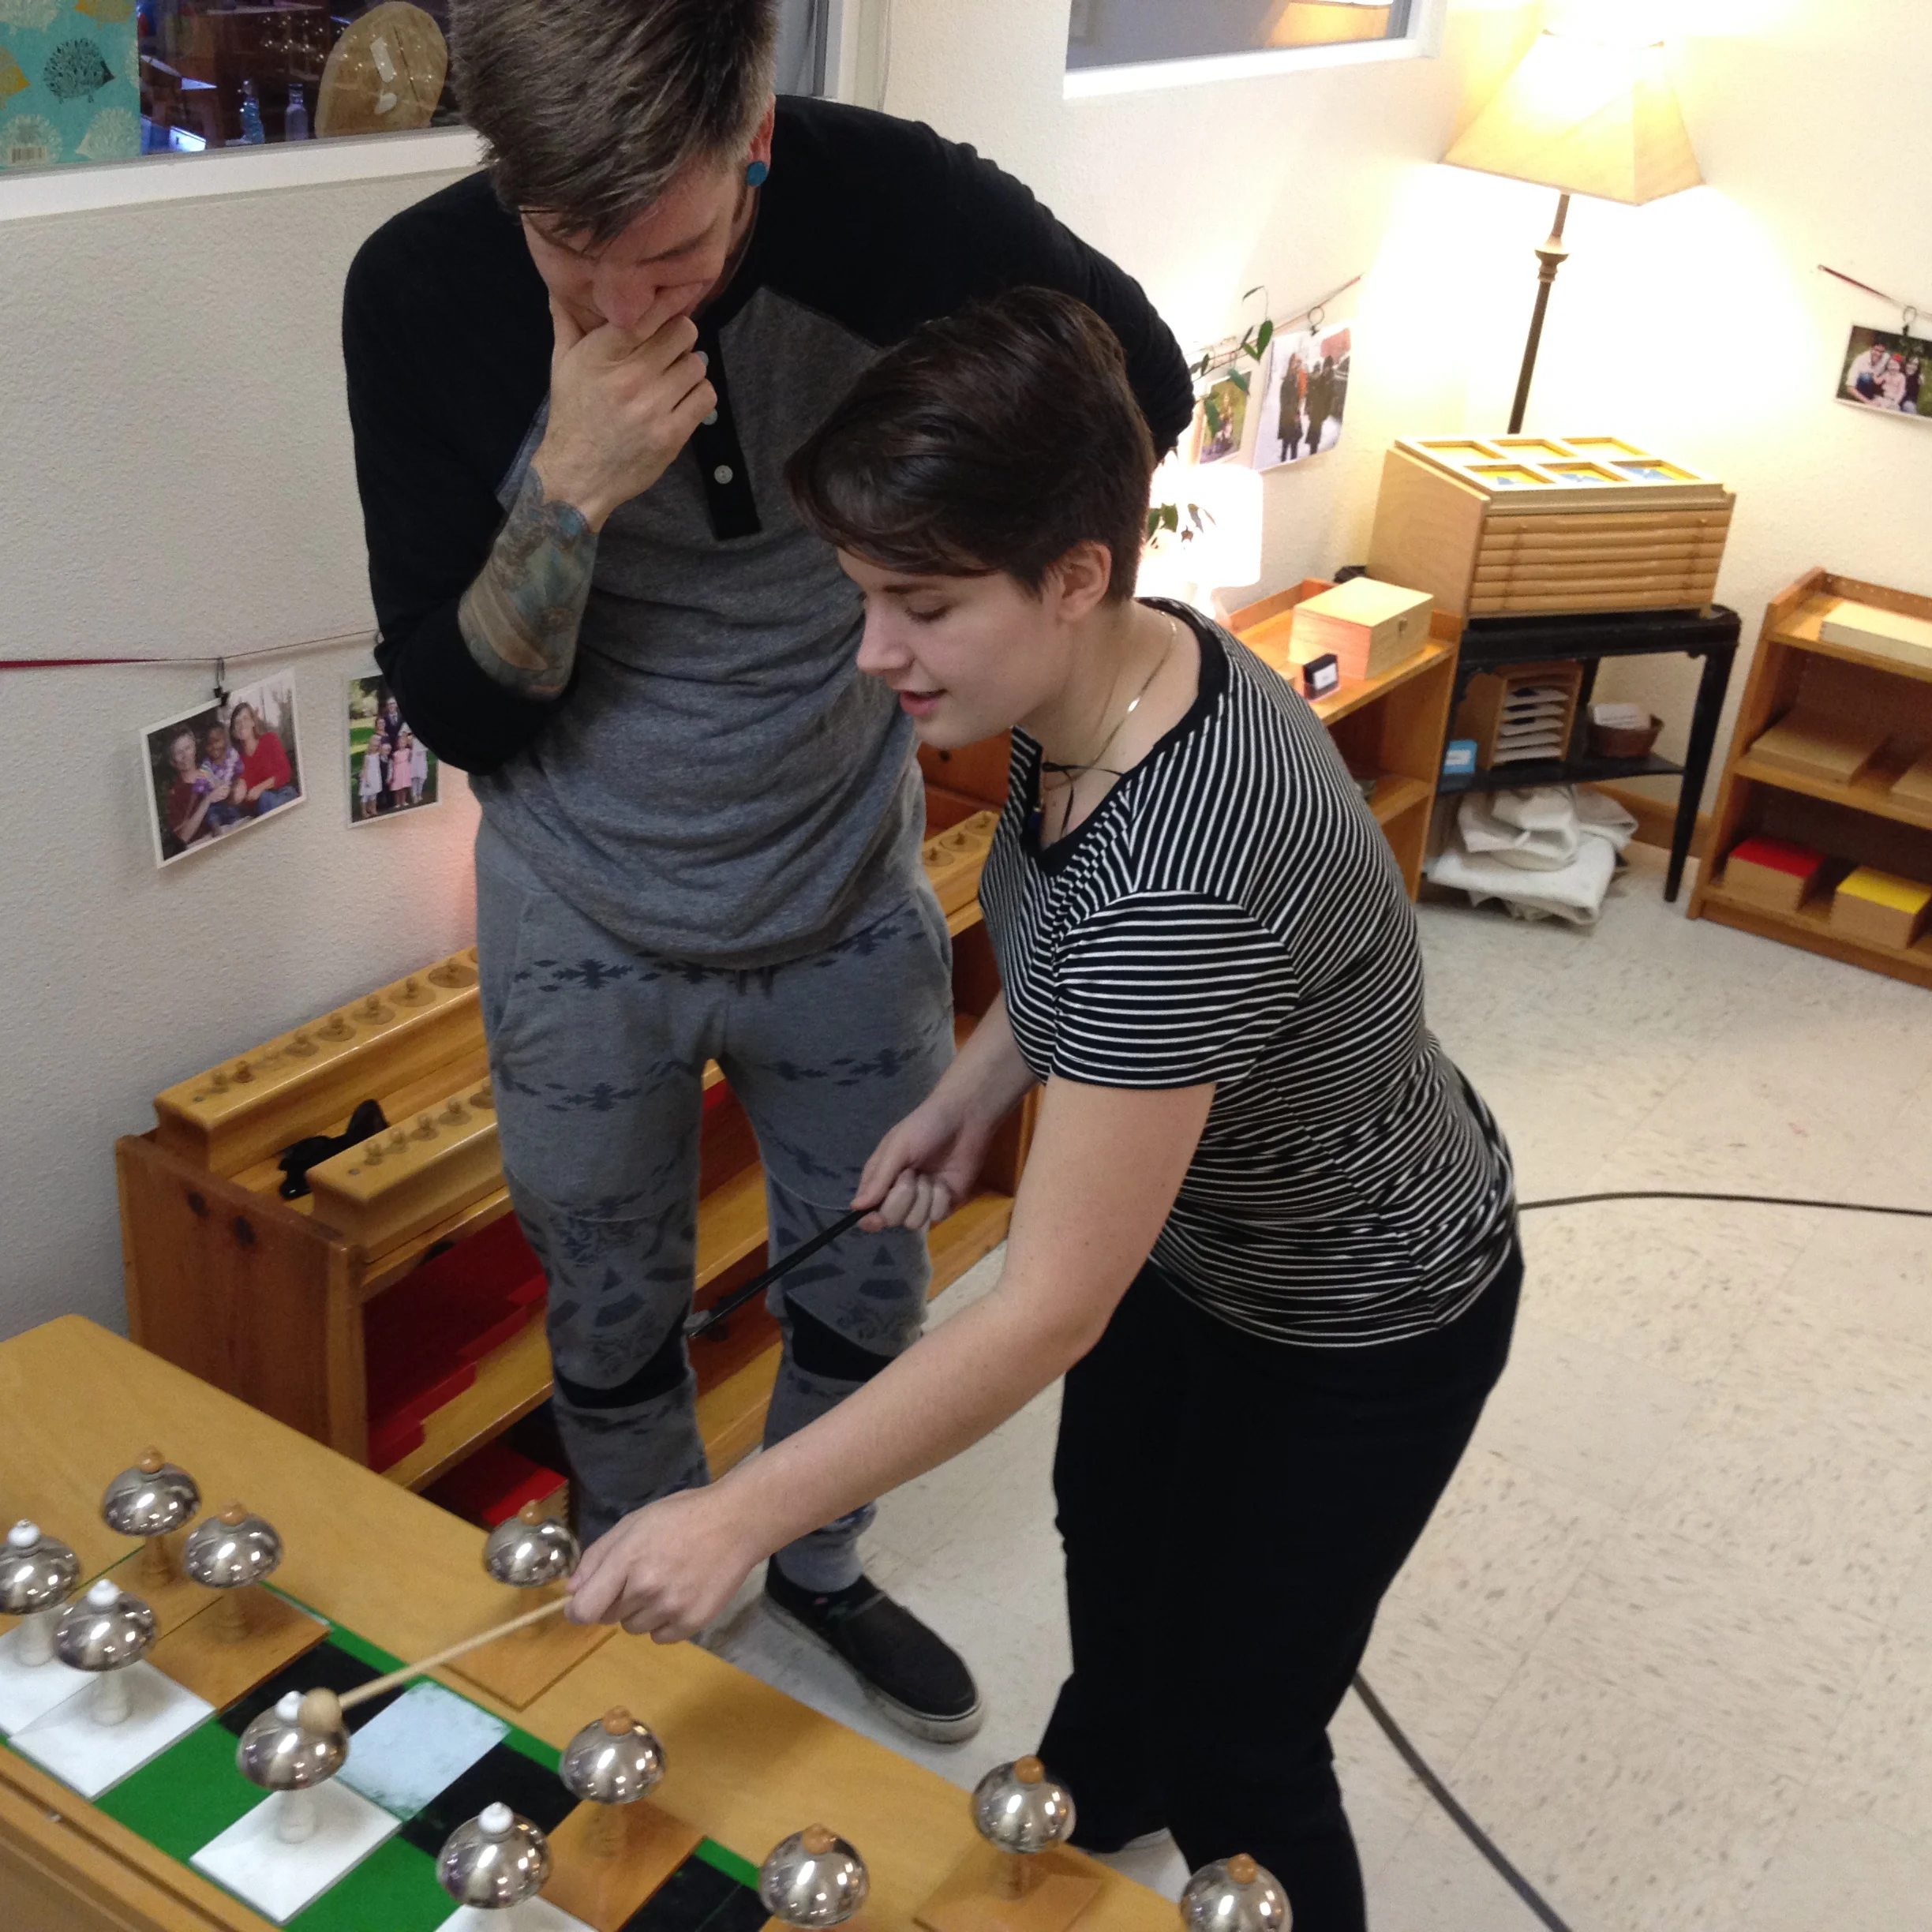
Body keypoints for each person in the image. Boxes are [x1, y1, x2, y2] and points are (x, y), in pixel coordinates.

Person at [561, 290, 1520, 1931]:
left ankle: (1186, 1810)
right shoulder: (1100, 686)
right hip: (1190, 1250)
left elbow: (1041, 1311)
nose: (876, 654)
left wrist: (742, 1511)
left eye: (919, 606)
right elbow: (1072, 943)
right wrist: (975, 1084)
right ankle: (1093, 1830)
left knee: (1250, 1744)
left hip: (1358, 1317)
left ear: (1076, 574)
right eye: (865, 597)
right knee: (1121, 1593)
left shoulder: (1186, 882)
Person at [341, 0, 1192, 1742]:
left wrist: (932, 549)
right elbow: (450, 706)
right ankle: (659, 1585)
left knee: (872, 1274)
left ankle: (807, 1555)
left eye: (672, 252)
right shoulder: (418, 294)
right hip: (578, 906)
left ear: (757, 142)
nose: (625, 306)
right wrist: (568, 489)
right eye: (573, 252)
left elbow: (1143, 392)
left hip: (840, 890)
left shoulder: (899, 212)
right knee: (609, 1292)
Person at [230, 700, 299, 816]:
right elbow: (243, 796)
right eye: (237, 722)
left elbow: (285, 772)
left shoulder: (270, 739)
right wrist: (238, 795)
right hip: (260, 805)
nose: (242, 724)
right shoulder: (237, 761)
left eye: (245, 718)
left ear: (253, 722)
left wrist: (260, 788)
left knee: (265, 799)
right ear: (234, 731)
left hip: (283, 793)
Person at [162, 726, 219, 853]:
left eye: (188, 748)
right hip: (200, 847)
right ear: (173, 761)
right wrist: (207, 800)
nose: (185, 756)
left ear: (195, 748)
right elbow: (183, 838)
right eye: (179, 752)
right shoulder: (174, 794)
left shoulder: (210, 769)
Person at [197, 722, 247, 833]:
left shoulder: (232, 755)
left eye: (217, 741)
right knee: (211, 812)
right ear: (205, 747)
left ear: (225, 740)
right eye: (209, 744)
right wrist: (209, 794)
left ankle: (236, 822)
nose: (214, 747)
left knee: (233, 810)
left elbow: (240, 771)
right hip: (214, 802)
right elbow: (201, 787)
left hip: (230, 798)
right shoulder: (206, 766)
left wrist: (234, 785)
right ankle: (216, 828)